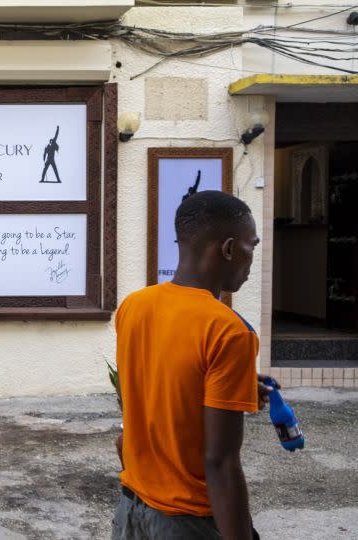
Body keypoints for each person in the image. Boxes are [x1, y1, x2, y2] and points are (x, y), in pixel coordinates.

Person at [112, 190, 274, 540]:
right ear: (228, 249)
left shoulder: (134, 306)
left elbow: (155, 394)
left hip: (130, 513)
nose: (251, 259)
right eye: (252, 247)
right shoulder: (228, 331)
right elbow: (221, 465)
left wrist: (234, 386)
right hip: (186, 522)